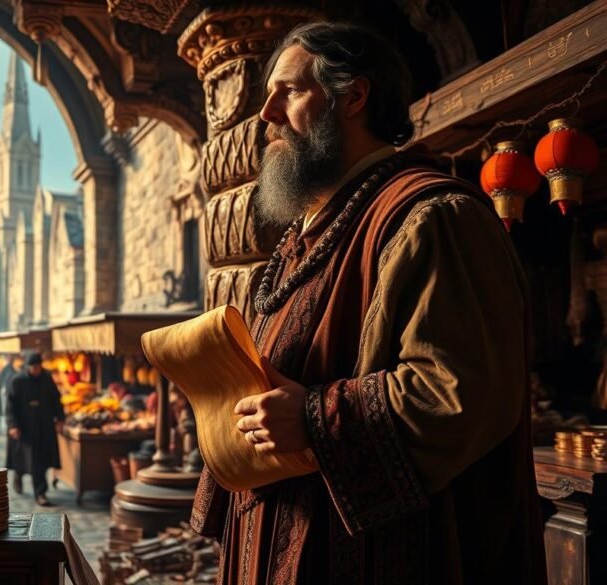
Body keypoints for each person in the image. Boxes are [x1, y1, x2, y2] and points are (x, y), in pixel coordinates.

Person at [190, 22, 545, 584]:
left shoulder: (432, 218)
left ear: (353, 96)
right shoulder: (306, 235)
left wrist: (312, 418)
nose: (267, 116)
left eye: (289, 91)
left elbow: (459, 394)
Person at [5, 353, 64, 506]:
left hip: (43, 426)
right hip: (23, 426)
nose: (37, 370)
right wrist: (12, 425)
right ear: (28, 367)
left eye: (38, 367)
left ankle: (40, 493)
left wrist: (60, 418)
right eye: (34, 368)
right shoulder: (17, 381)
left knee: (40, 461)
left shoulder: (47, 379)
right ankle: (18, 475)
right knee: (22, 458)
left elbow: (56, 399)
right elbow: (10, 405)